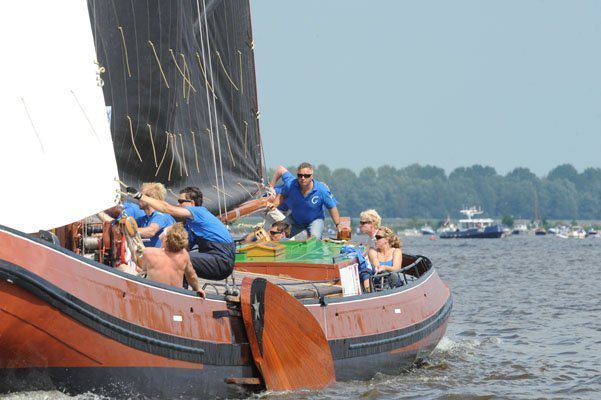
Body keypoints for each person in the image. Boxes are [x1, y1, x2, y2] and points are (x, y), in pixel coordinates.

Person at [125, 185, 235, 281]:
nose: (178, 204)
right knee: (175, 256)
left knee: (179, 259)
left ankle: (174, 291)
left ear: (192, 203)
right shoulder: (190, 226)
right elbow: (182, 248)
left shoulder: (199, 211)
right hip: (215, 261)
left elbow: (167, 208)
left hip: (221, 260)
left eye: (181, 202)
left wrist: (140, 196)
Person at [124, 221, 205, 298]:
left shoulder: (149, 252)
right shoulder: (184, 255)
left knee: (125, 269)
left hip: (155, 296)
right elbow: (191, 276)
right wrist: (198, 288)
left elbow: (142, 269)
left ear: (165, 239)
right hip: (176, 295)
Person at [270, 163, 341, 240]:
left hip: (315, 221)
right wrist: (273, 205)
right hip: (295, 219)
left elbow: (332, 207)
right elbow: (282, 196)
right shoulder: (290, 184)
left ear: (312, 176)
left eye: (306, 176)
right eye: (300, 175)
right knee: (275, 233)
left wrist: (338, 224)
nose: (303, 178)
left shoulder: (322, 190)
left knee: (314, 239)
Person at [135, 182, 175, 248]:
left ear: (150, 199)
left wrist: (129, 231)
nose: (137, 199)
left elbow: (151, 231)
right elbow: (129, 223)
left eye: (140, 197)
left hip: (163, 257)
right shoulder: (144, 219)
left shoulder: (162, 216)